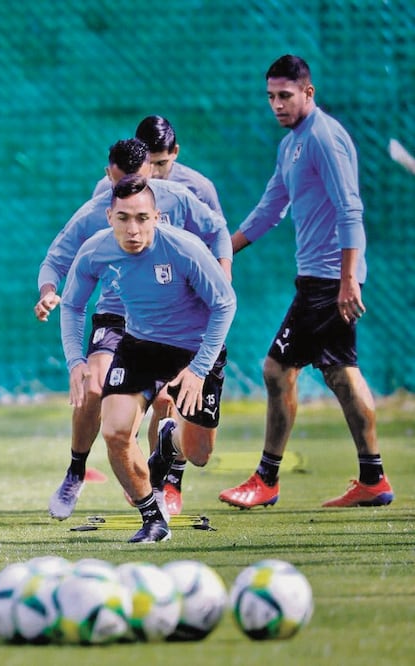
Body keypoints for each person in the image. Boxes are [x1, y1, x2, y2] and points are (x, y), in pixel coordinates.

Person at [219, 54, 393, 510]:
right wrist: (223, 252)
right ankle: (372, 479)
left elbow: (350, 208)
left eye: (285, 95)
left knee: (278, 370)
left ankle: (267, 479)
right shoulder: (291, 144)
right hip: (318, 279)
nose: (277, 104)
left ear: (308, 92)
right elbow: (271, 208)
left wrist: (348, 278)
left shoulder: (323, 137)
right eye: (271, 97)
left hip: (330, 279)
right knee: (338, 372)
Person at [38, 139, 231, 521]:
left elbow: (219, 233)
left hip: (179, 323)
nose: (133, 226)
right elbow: (57, 262)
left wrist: (222, 271)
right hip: (120, 316)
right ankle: (80, 471)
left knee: (187, 434)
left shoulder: (179, 204)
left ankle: (165, 464)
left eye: (141, 216)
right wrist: (49, 295)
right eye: (123, 215)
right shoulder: (97, 216)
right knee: (95, 389)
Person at [92, 115, 224, 216]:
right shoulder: (110, 187)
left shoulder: (198, 189)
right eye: (148, 163)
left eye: (161, 163)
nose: (153, 172)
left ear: (175, 152)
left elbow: (216, 234)